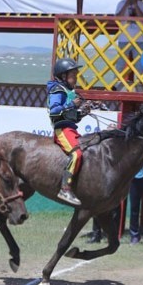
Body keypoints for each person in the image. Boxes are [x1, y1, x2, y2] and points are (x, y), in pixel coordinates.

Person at [47, 57, 90, 206]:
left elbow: (71, 117)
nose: (76, 79)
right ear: (63, 76)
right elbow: (54, 111)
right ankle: (65, 188)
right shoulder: (57, 90)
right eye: (73, 76)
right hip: (62, 130)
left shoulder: (67, 90)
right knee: (76, 153)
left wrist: (82, 112)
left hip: (70, 128)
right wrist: (72, 104)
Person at [114, 0, 143, 89]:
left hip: (138, 39)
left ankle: (141, 90)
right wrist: (127, 4)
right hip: (124, 38)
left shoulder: (142, 4)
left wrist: (135, 5)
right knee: (120, 64)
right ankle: (116, 87)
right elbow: (118, 17)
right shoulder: (121, 3)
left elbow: (142, 19)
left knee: (140, 66)